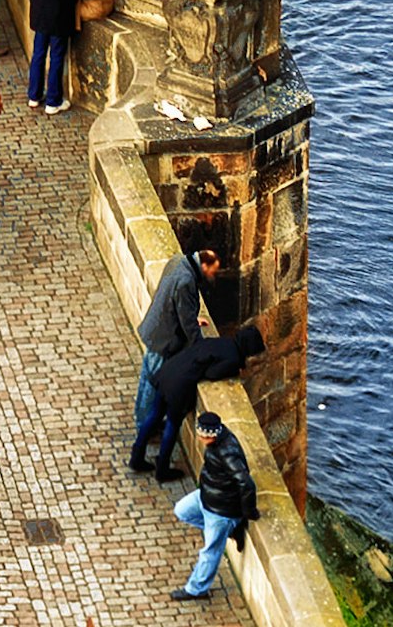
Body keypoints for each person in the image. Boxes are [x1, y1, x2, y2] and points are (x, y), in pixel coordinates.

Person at [132, 241, 222, 474]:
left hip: (155, 330)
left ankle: (143, 425)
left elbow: (180, 309)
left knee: (147, 379)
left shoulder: (177, 261)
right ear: (204, 265)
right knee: (151, 385)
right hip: (163, 340)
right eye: (213, 270)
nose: (214, 275)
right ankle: (143, 429)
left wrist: (193, 318)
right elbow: (187, 325)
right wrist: (203, 352)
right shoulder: (186, 282)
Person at [174, 408, 259, 600]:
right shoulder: (216, 440)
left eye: (204, 436)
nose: (201, 439)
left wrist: (248, 512)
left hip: (222, 510)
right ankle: (230, 531)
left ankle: (196, 589)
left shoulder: (227, 453)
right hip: (206, 496)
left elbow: (246, 483)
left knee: (210, 552)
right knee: (181, 511)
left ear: (212, 435)